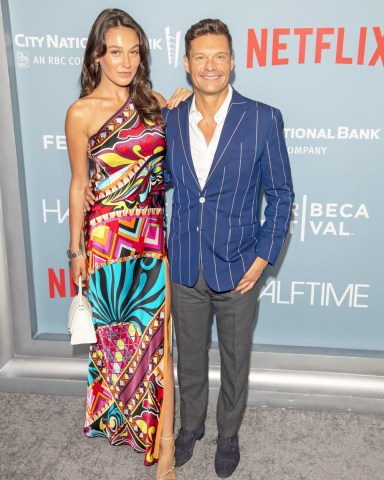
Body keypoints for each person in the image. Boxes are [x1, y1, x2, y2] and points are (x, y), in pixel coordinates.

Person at [162, 19, 294, 478]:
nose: (210, 66)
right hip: (184, 265)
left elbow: (281, 195)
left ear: (233, 62)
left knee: (237, 360)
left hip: (240, 265)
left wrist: (263, 258)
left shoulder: (262, 118)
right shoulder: (170, 119)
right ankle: (190, 427)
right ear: (186, 64)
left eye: (219, 56)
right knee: (189, 357)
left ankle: (229, 433)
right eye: (200, 57)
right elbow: (161, 184)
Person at [66, 8, 189, 480]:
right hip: (106, 240)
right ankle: (127, 422)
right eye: (116, 51)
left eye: (134, 51)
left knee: (160, 343)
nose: (126, 61)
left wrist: (178, 114)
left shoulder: (156, 102)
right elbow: (80, 185)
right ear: (97, 55)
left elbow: (176, 165)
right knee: (119, 339)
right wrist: (75, 250)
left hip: (153, 235)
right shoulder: (80, 113)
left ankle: (166, 444)